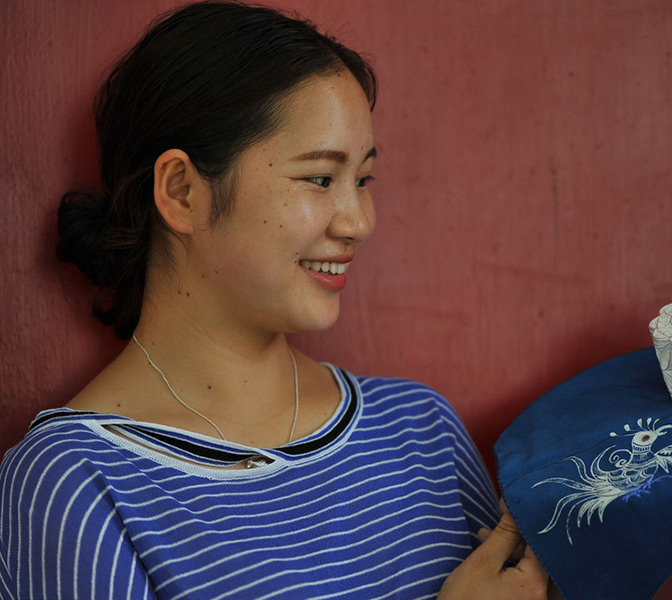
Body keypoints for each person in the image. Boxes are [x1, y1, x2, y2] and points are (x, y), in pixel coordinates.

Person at [0, 3, 549, 599]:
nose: (360, 221)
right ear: (181, 191)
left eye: (362, 180)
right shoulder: (77, 482)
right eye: (319, 178)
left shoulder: (421, 430)